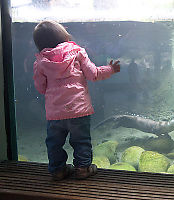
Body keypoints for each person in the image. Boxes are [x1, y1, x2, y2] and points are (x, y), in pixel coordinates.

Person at [32, 21, 120, 181]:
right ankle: (83, 168)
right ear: (65, 35)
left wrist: (54, 93)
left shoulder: (40, 63)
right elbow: (94, 74)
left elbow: (40, 87)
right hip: (79, 110)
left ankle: (58, 170)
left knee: (54, 143)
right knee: (81, 141)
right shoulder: (78, 52)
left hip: (55, 114)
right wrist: (111, 69)